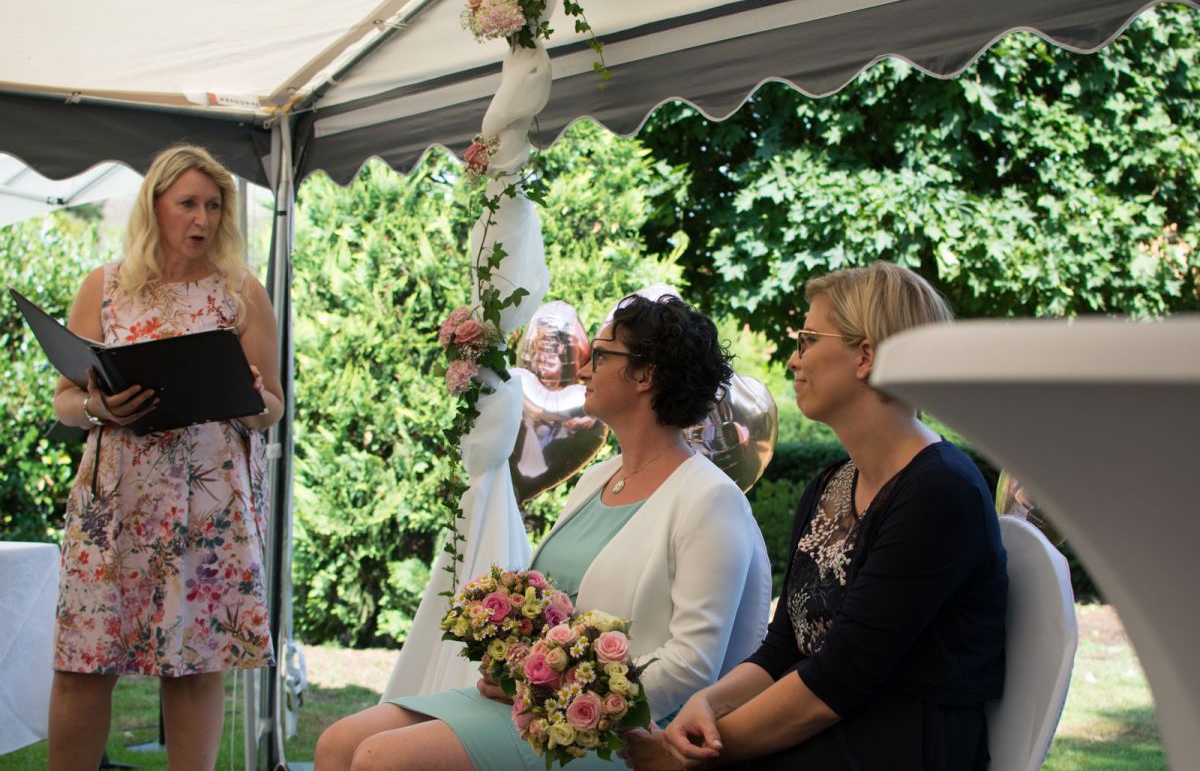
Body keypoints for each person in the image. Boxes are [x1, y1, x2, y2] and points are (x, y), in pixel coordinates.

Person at [315, 295, 772, 771]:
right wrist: (514, 671)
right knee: (338, 742)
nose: (584, 369)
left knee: (381, 759)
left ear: (645, 375)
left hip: (619, 733)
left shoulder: (709, 499)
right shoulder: (601, 476)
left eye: (600, 353)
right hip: (532, 708)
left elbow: (693, 663)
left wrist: (554, 697)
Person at [625, 262, 1008, 771]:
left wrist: (690, 758)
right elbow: (784, 646)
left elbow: (836, 682)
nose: (793, 358)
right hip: (836, 728)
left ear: (866, 356)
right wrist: (709, 703)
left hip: (900, 745)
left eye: (807, 340)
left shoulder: (940, 492)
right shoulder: (831, 484)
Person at [47, 144, 285, 771]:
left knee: (195, 665)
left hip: (208, 508)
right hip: (116, 506)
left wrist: (248, 394)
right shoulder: (104, 287)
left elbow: (273, 408)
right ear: (155, 206)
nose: (201, 219)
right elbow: (65, 400)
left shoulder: (242, 293)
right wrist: (101, 408)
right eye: (187, 204)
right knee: (83, 663)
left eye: (213, 205)